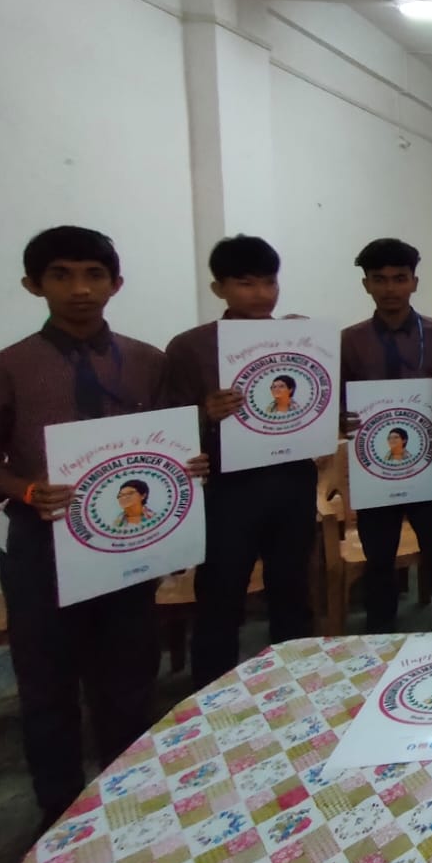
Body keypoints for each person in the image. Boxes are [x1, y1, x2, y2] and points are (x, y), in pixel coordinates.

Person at [0, 227, 208, 828]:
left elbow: (169, 438)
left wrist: (188, 464)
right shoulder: (2, 370)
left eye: (93, 275)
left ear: (115, 284)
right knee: (46, 683)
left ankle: (126, 801)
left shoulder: (148, 362)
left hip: (128, 545)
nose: (79, 289)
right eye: (61, 275)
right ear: (33, 285)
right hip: (41, 545)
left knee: (130, 676)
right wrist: (25, 489)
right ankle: (59, 814)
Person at [166, 235, 317, 687]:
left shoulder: (302, 337)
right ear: (219, 288)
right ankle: (211, 692)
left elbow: (319, 397)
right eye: (246, 284)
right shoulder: (190, 347)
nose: (261, 294)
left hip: (292, 478)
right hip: (228, 487)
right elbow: (168, 428)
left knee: (292, 587)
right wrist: (205, 414)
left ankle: (298, 681)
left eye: (269, 282)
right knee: (221, 593)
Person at [340, 237, 432, 632]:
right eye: (380, 279)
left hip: (429, 461)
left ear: (414, 282)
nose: (390, 288)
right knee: (379, 557)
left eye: (399, 278)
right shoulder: (349, 341)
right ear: (366, 285)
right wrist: (343, 421)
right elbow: (337, 403)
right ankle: (380, 636)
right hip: (374, 466)